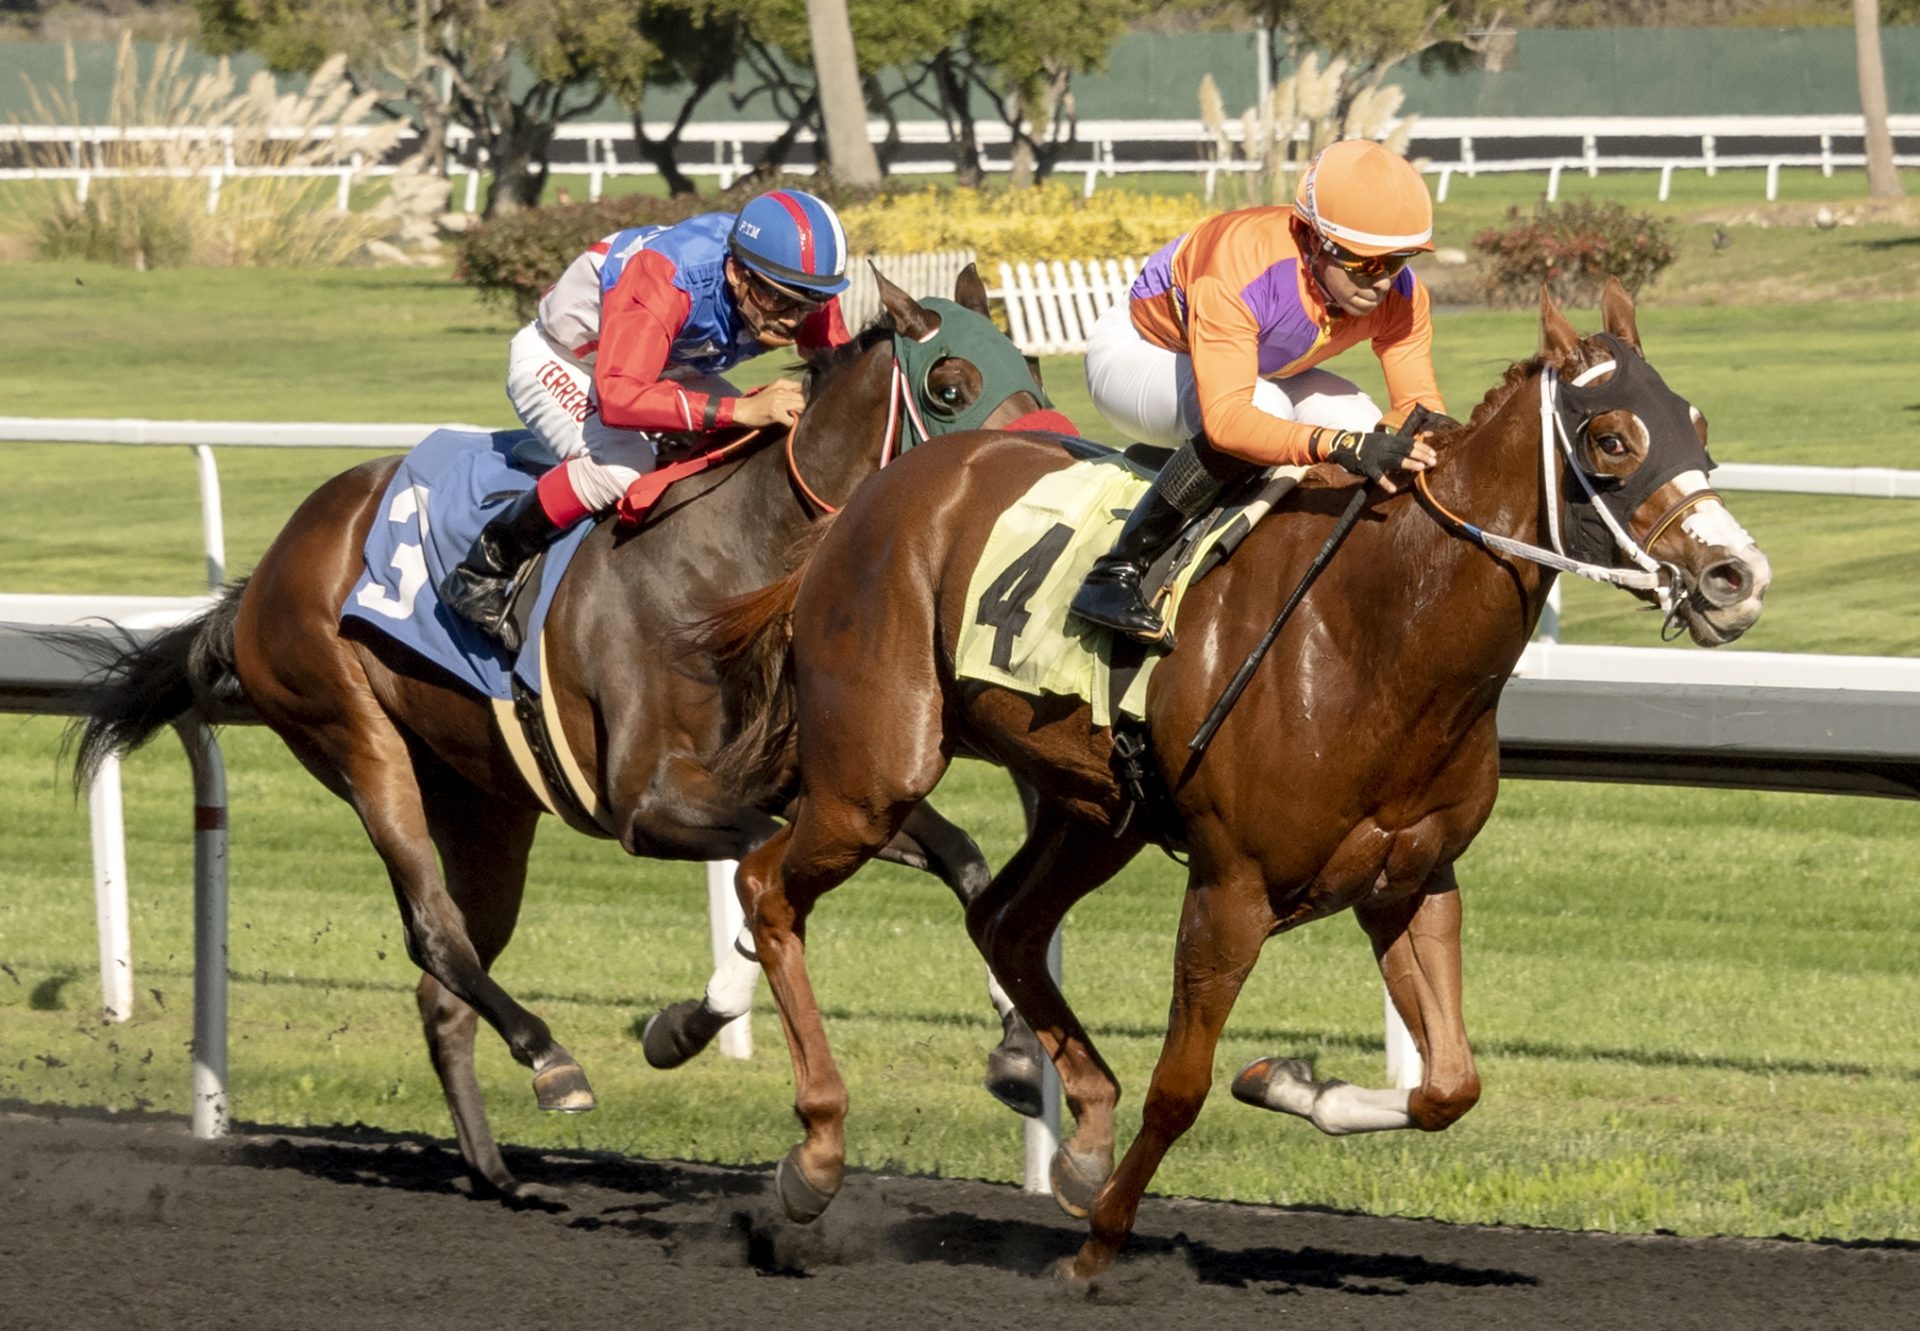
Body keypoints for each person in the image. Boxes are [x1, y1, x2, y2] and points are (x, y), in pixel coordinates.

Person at [1073, 138, 1453, 643]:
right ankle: (1115, 573)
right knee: (1268, 410)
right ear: (1314, 239)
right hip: (1142, 351)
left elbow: (1419, 407)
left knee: (1363, 421)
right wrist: (1339, 446)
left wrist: (1407, 443)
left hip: (1258, 362)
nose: (1382, 281)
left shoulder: (1403, 295)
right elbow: (1229, 422)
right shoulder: (1239, 261)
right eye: (1365, 263)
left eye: (1398, 260)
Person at [440, 188, 854, 645]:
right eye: (778, 301)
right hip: (565, 360)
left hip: (662, 368)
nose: (793, 319)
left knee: (756, 444)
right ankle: (484, 568)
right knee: (623, 469)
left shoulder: (800, 280)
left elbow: (843, 376)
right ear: (736, 272)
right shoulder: (667, 275)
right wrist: (739, 409)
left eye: (808, 305)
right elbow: (620, 397)